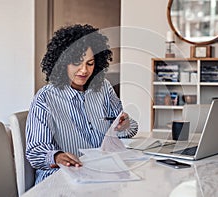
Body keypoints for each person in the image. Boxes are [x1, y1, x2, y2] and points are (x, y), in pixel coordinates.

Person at [25, 24, 138, 184]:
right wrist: (57, 157)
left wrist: (125, 125)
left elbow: (124, 129)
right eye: (77, 62)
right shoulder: (46, 98)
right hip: (61, 178)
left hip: (103, 175)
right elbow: (35, 151)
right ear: (62, 62)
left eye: (90, 63)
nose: (84, 70)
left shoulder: (104, 88)